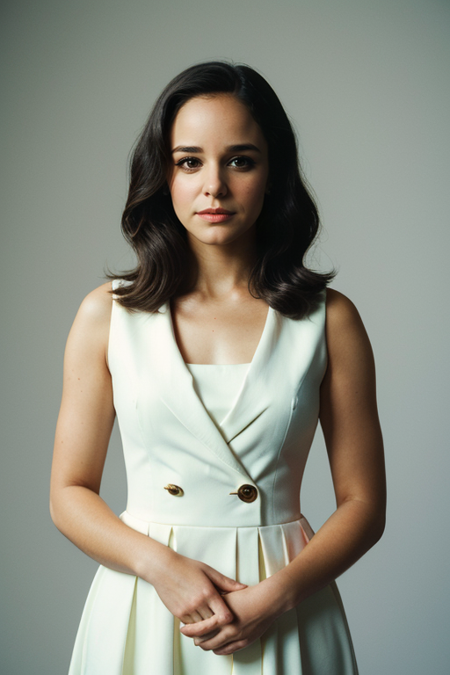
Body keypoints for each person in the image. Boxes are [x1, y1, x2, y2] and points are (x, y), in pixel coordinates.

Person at [50, 61, 386, 675]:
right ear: (164, 176)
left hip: (285, 601)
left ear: (272, 174)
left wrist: (278, 594)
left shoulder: (329, 319)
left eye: (240, 160)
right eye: (188, 162)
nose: (214, 186)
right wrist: (163, 568)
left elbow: (363, 502)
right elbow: (69, 493)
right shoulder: (107, 315)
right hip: (148, 601)